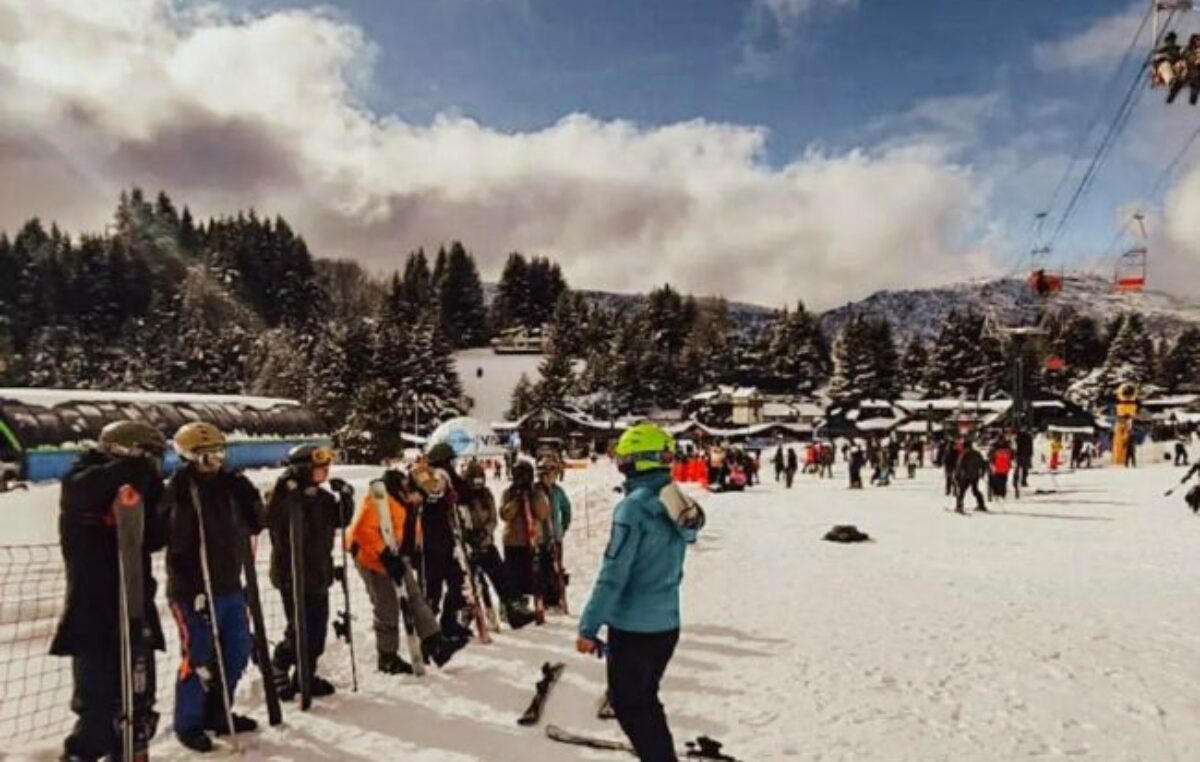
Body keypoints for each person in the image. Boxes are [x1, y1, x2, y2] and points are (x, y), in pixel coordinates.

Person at [577, 423, 704, 762]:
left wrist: (589, 626)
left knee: (630, 704)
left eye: (624, 457)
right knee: (644, 700)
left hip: (634, 628)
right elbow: (691, 534)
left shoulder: (633, 508)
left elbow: (614, 573)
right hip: (666, 624)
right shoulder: (676, 501)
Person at [52, 421, 168, 762]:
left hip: (135, 606)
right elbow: (83, 490)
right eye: (148, 459)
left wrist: (149, 490)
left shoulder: (143, 487)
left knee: (139, 702)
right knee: (98, 714)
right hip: (94, 612)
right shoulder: (82, 478)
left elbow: (157, 536)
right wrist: (132, 470)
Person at [161, 423, 264, 751]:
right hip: (193, 589)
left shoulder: (230, 485)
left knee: (237, 649)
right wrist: (192, 588)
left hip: (229, 583)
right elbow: (174, 541)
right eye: (204, 457)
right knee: (199, 654)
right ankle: (188, 722)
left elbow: (257, 522)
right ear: (188, 457)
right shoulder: (180, 488)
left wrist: (250, 497)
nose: (213, 462)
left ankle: (219, 711)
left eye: (218, 454)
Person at [346, 467, 467, 673]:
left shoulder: (407, 504)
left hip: (397, 555)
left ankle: (434, 643)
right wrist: (384, 555)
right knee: (387, 607)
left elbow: (408, 530)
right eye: (420, 494)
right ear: (406, 489)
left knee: (414, 597)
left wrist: (412, 551)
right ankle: (387, 656)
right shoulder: (380, 499)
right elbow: (363, 531)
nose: (421, 499)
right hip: (371, 558)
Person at [267, 444, 347, 700]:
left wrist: (346, 497)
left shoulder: (322, 499)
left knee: (318, 631)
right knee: (298, 628)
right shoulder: (285, 496)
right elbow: (271, 518)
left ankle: (305, 676)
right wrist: (285, 485)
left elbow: (341, 519)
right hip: (292, 574)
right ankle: (279, 664)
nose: (324, 473)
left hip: (318, 573)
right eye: (319, 470)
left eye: (326, 470)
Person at [458, 461, 536, 629]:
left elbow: (493, 517)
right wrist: (469, 538)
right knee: (470, 582)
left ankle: (511, 610)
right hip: (469, 546)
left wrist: (486, 533)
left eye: (480, 480)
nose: (478, 484)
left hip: (486, 542)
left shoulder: (486, 495)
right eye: (475, 481)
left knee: (502, 576)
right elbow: (459, 521)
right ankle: (466, 614)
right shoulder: (462, 497)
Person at [421, 444, 473, 640]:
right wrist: (444, 499)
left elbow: (465, 493)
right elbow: (432, 499)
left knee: (456, 583)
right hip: (431, 543)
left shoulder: (449, 478)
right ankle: (429, 632)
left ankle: (449, 626)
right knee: (433, 589)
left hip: (448, 541)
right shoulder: (428, 477)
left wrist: (456, 494)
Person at [500, 460, 552, 617]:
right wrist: (516, 499)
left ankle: (537, 601)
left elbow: (543, 513)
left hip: (533, 540)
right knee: (513, 576)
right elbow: (505, 515)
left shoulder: (537, 492)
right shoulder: (508, 493)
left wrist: (532, 495)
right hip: (514, 542)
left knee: (534, 575)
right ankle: (512, 604)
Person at [536, 456, 572, 611]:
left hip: (555, 536)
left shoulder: (558, 491)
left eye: (555, 474)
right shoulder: (536, 490)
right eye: (551, 474)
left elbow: (566, 509)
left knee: (556, 568)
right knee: (543, 568)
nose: (553, 477)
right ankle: (544, 599)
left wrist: (562, 528)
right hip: (540, 537)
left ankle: (556, 599)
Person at [954, 439, 987, 514]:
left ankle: (959, 506)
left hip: (966, 476)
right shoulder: (977, 453)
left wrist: (956, 475)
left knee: (961, 491)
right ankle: (981, 505)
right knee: (975, 490)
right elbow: (983, 464)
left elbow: (959, 465)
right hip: (975, 475)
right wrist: (982, 473)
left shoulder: (964, 454)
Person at [988, 437, 1013, 501]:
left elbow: (990, 457)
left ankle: (996, 493)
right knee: (1003, 480)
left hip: (996, 468)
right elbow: (1012, 456)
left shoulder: (994, 448)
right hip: (1005, 468)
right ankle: (1002, 493)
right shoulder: (1007, 448)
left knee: (995, 480)